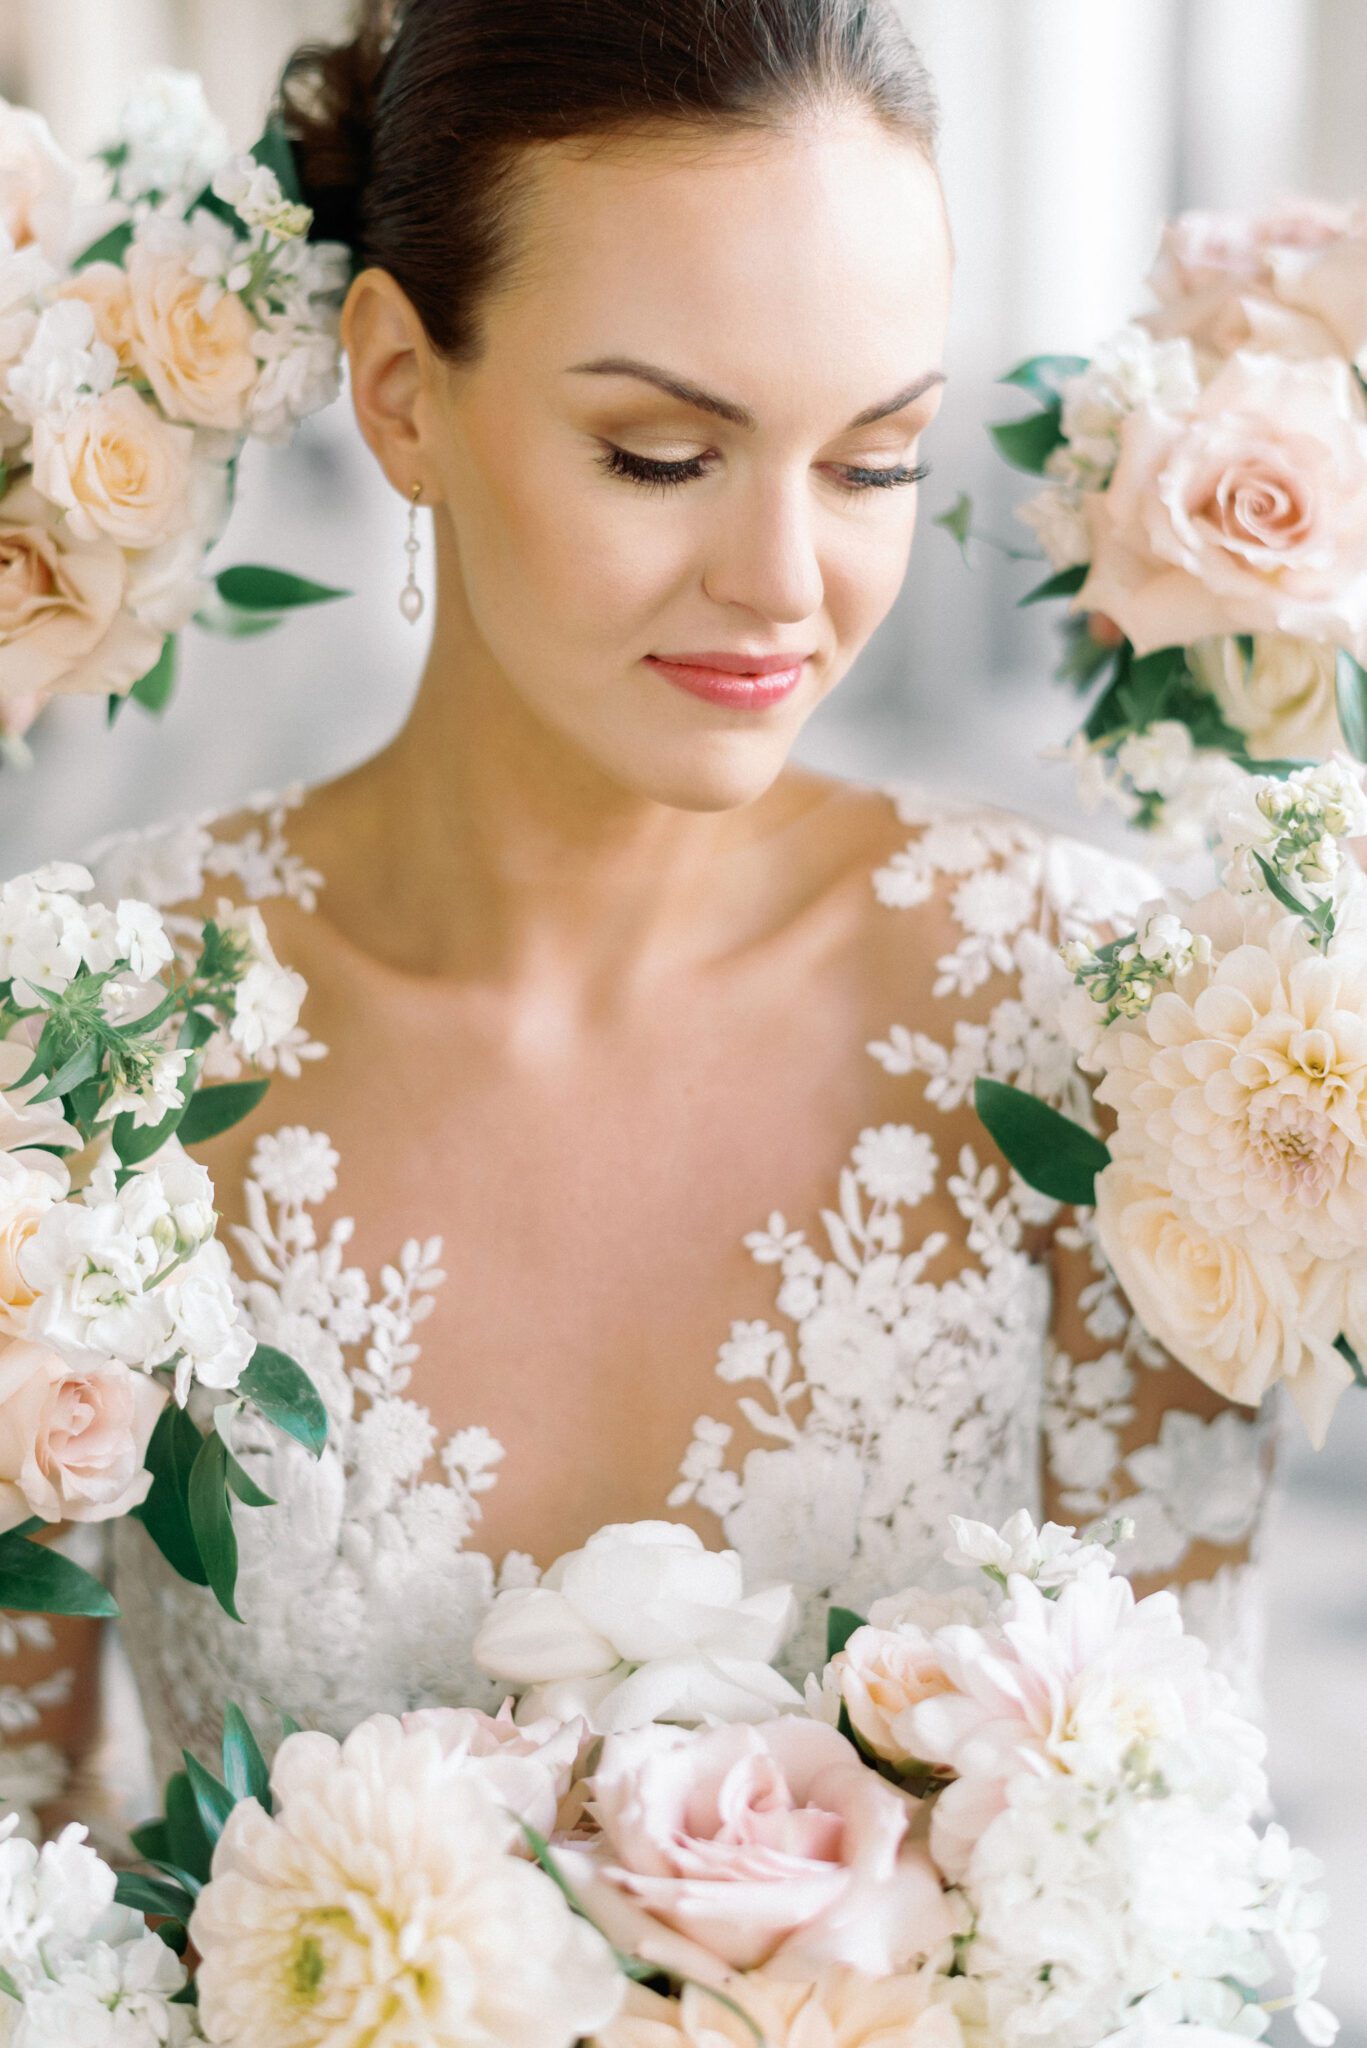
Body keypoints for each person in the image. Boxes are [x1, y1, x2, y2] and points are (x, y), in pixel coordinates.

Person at [4, 0, 1272, 1840]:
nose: (783, 587)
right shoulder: (91, 1031)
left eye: (872, 462)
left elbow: (1172, 1889)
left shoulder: (1091, 1018)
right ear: (401, 392)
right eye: (663, 455)